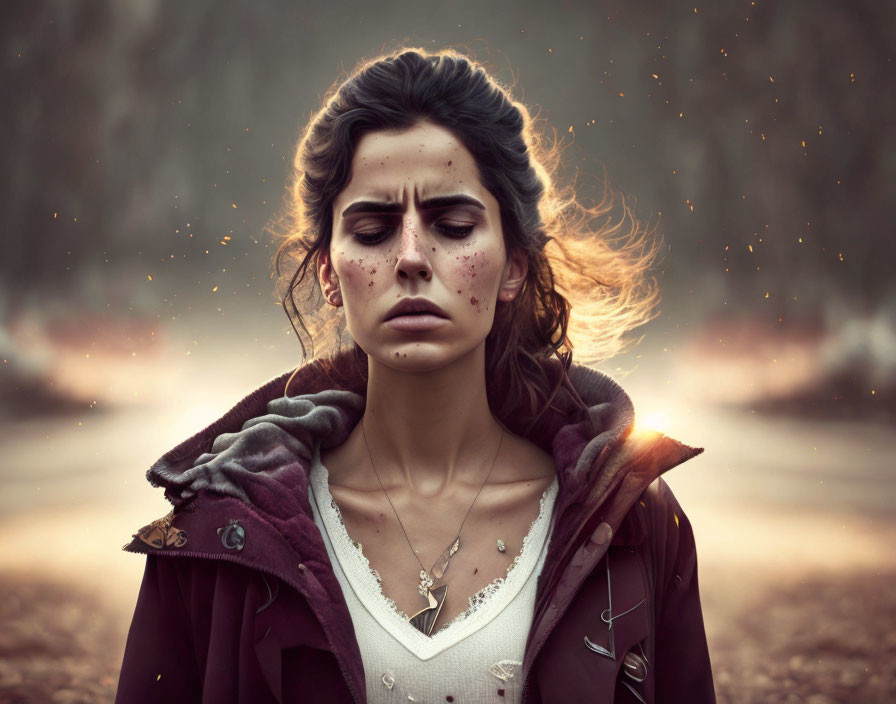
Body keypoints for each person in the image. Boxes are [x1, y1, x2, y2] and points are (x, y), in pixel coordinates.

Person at [115, 47, 715, 703]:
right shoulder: (221, 532)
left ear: (513, 265)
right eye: (372, 230)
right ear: (328, 272)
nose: (410, 258)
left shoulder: (632, 522)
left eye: (452, 225)